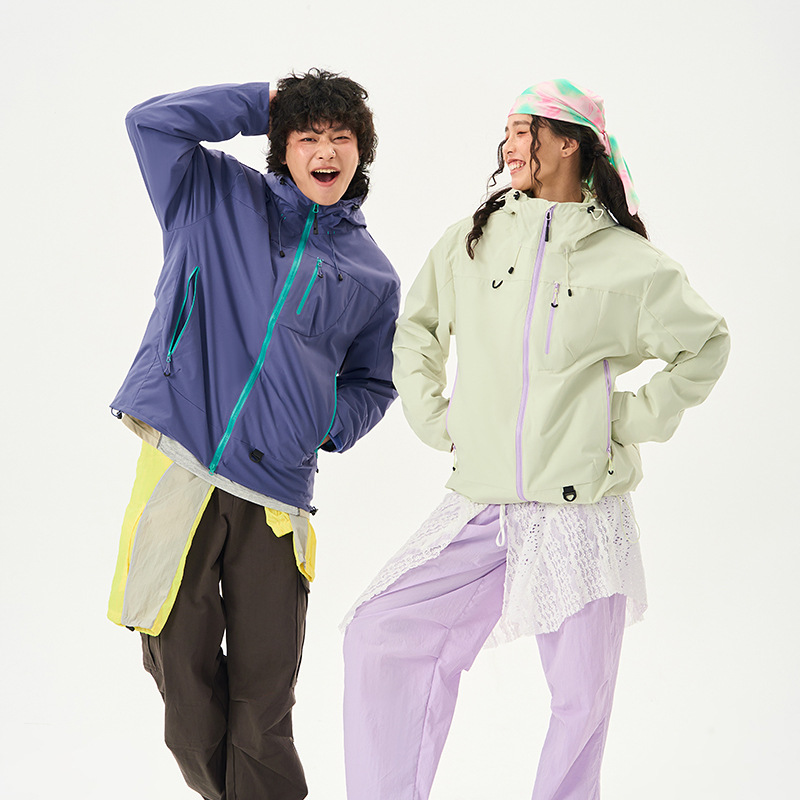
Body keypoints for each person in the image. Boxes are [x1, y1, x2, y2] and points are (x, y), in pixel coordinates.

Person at [342, 79, 730, 800]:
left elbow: (705, 344)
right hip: (483, 504)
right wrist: (437, 418)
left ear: (568, 143)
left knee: (581, 701)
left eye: (525, 131)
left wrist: (621, 420)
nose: (510, 145)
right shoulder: (472, 242)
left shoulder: (630, 263)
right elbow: (418, 329)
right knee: (380, 633)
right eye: (509, 133)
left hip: (583, 511)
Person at [106, 71, 400, 800]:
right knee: (184, 697)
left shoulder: (373, 275)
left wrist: (322, 424)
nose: (326, 151)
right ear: (282, 146)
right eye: (308, 136)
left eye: (342, 138)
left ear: (361, 151)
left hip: (275, 495)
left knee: (263, 708)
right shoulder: (211, 194)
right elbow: (150, 122)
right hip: (182, 462)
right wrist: (261, 102)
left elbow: (374, 383)